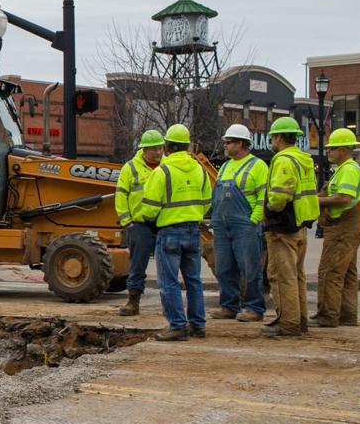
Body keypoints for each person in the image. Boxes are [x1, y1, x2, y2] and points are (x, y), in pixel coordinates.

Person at [140, 124, 212, 341]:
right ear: (186, 145)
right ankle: (198, 325)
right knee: (193, 280)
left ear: (167, 146)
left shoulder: (162, 171)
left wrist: (152, 219)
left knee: (169, 281)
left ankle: (178, 326)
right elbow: (207, 201)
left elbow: (150, 208)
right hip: (193, 230)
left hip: (169, 232)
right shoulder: (199, 169)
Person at [261, 116, 319, 337]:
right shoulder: (303, 159)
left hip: (282, 227)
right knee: (296, 275)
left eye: (272, 137)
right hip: (299, 224)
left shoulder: (283, 159)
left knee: (281, 275)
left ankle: (289, 324)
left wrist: (270, 207)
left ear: (278, 137)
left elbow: (279, 196)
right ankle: (299, 321)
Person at [209, 124, 269, 321]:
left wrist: (254, 220)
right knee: (224, 267)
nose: (226, 146)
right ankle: (229, 306)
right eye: (226, 142)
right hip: (222, 224)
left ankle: (254, 307)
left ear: (242, 143)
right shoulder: (225, 166)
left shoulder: (258, 166)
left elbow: (263, 196)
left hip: (245, 225)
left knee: (250, 268)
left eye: (230, 142)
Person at [313, 127, 360, 327]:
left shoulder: (349, 170)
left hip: (342, 228)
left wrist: (318, 201)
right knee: (347, 272)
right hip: (348, 227)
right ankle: (347, 315)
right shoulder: (345, 170)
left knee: (330, 271)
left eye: (332, 149)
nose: (329, 152)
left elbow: (344, 198)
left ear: (343, 149)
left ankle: (327, 316)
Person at [113, 129, 165, 316]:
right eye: (154, 149)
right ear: (144, 150)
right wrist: (127, 222)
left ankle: (169, 305)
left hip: (164, 222)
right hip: (140, 224)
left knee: (167, 266)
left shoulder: (167, 166)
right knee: (137, 265)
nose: (158, 152)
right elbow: (121, 195)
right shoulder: (130, 168)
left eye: (160, 148)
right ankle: (133, 301)